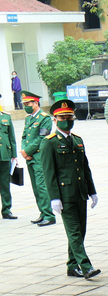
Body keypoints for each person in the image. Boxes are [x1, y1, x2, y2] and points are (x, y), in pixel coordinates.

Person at [40, 100, 100, 279]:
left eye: (69, 117)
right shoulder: (49, 143)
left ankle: (72, 266)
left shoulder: (77, 140)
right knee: (74, 232)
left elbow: (85, 168)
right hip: (64, 196)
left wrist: (92, 191)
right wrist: (54, 198)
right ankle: (86, 266)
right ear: (55, 120)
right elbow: (48, 173)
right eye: (62, 117)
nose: (66, 120)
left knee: (80, 231)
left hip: (80, 193)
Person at [20, 91, 56, 226]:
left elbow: (42, 138)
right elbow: (25, 137)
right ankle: (42, 212)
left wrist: (27, 151)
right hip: (29, 157)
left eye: (28, 103)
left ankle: (49, 215)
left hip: (39, 157)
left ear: (36, 103)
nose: (26, 106)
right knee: (35, 187)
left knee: (42, 187)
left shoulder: (44, 118)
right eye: (24, 104)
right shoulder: (28, 119)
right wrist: (24, 151)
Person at [0, 110, 17, 219]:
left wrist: (14, 155)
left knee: (5, 184)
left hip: (4, 155)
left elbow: (11, 137)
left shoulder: (6, 117)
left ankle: (6, 209)